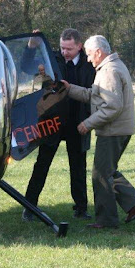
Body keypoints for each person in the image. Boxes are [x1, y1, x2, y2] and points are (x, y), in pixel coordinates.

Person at [61, 35, 135, 229]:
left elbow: (112, 107)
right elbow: (93, 96)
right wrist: (69, 89)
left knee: (100, 175)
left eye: (90, 55)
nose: (89, 59)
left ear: (99, 52)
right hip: (118, 129)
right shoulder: (111, 66)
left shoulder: (109, 71)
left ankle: (106, 221)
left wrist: (88, 123)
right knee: (108, 171)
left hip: (112, 130)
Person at [22, 28, 96, 221]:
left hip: (78, 122)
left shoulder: (90, 65)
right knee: (42, 165)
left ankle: (81, 208)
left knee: (78, 166)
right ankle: (29, 207)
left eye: (69, 49)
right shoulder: (50, 59)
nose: (64, 52)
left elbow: (94, 93)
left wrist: (89, 119)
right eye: (62, 48)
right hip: (51, 121)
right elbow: (26, 67)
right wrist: (31, 46)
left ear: (80, 46)